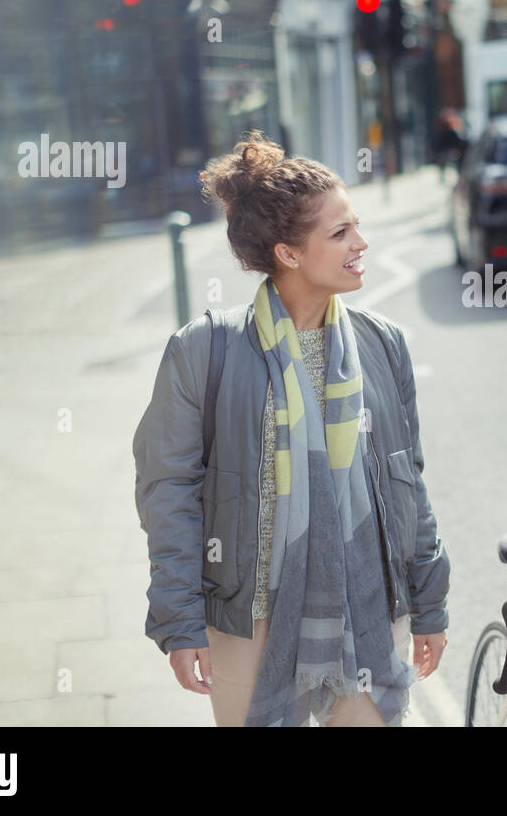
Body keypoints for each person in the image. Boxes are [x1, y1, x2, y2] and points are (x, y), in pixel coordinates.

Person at [133, 131, 450, 726]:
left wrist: (429, 601)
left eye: (355, 225)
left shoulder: (384, 344)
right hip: (248, 619)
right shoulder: (205, 350)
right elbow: (167, 491)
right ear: (289, 253)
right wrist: (178, 621)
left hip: (369, 610)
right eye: (340, 233)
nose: (362, 243)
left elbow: (409, 482)